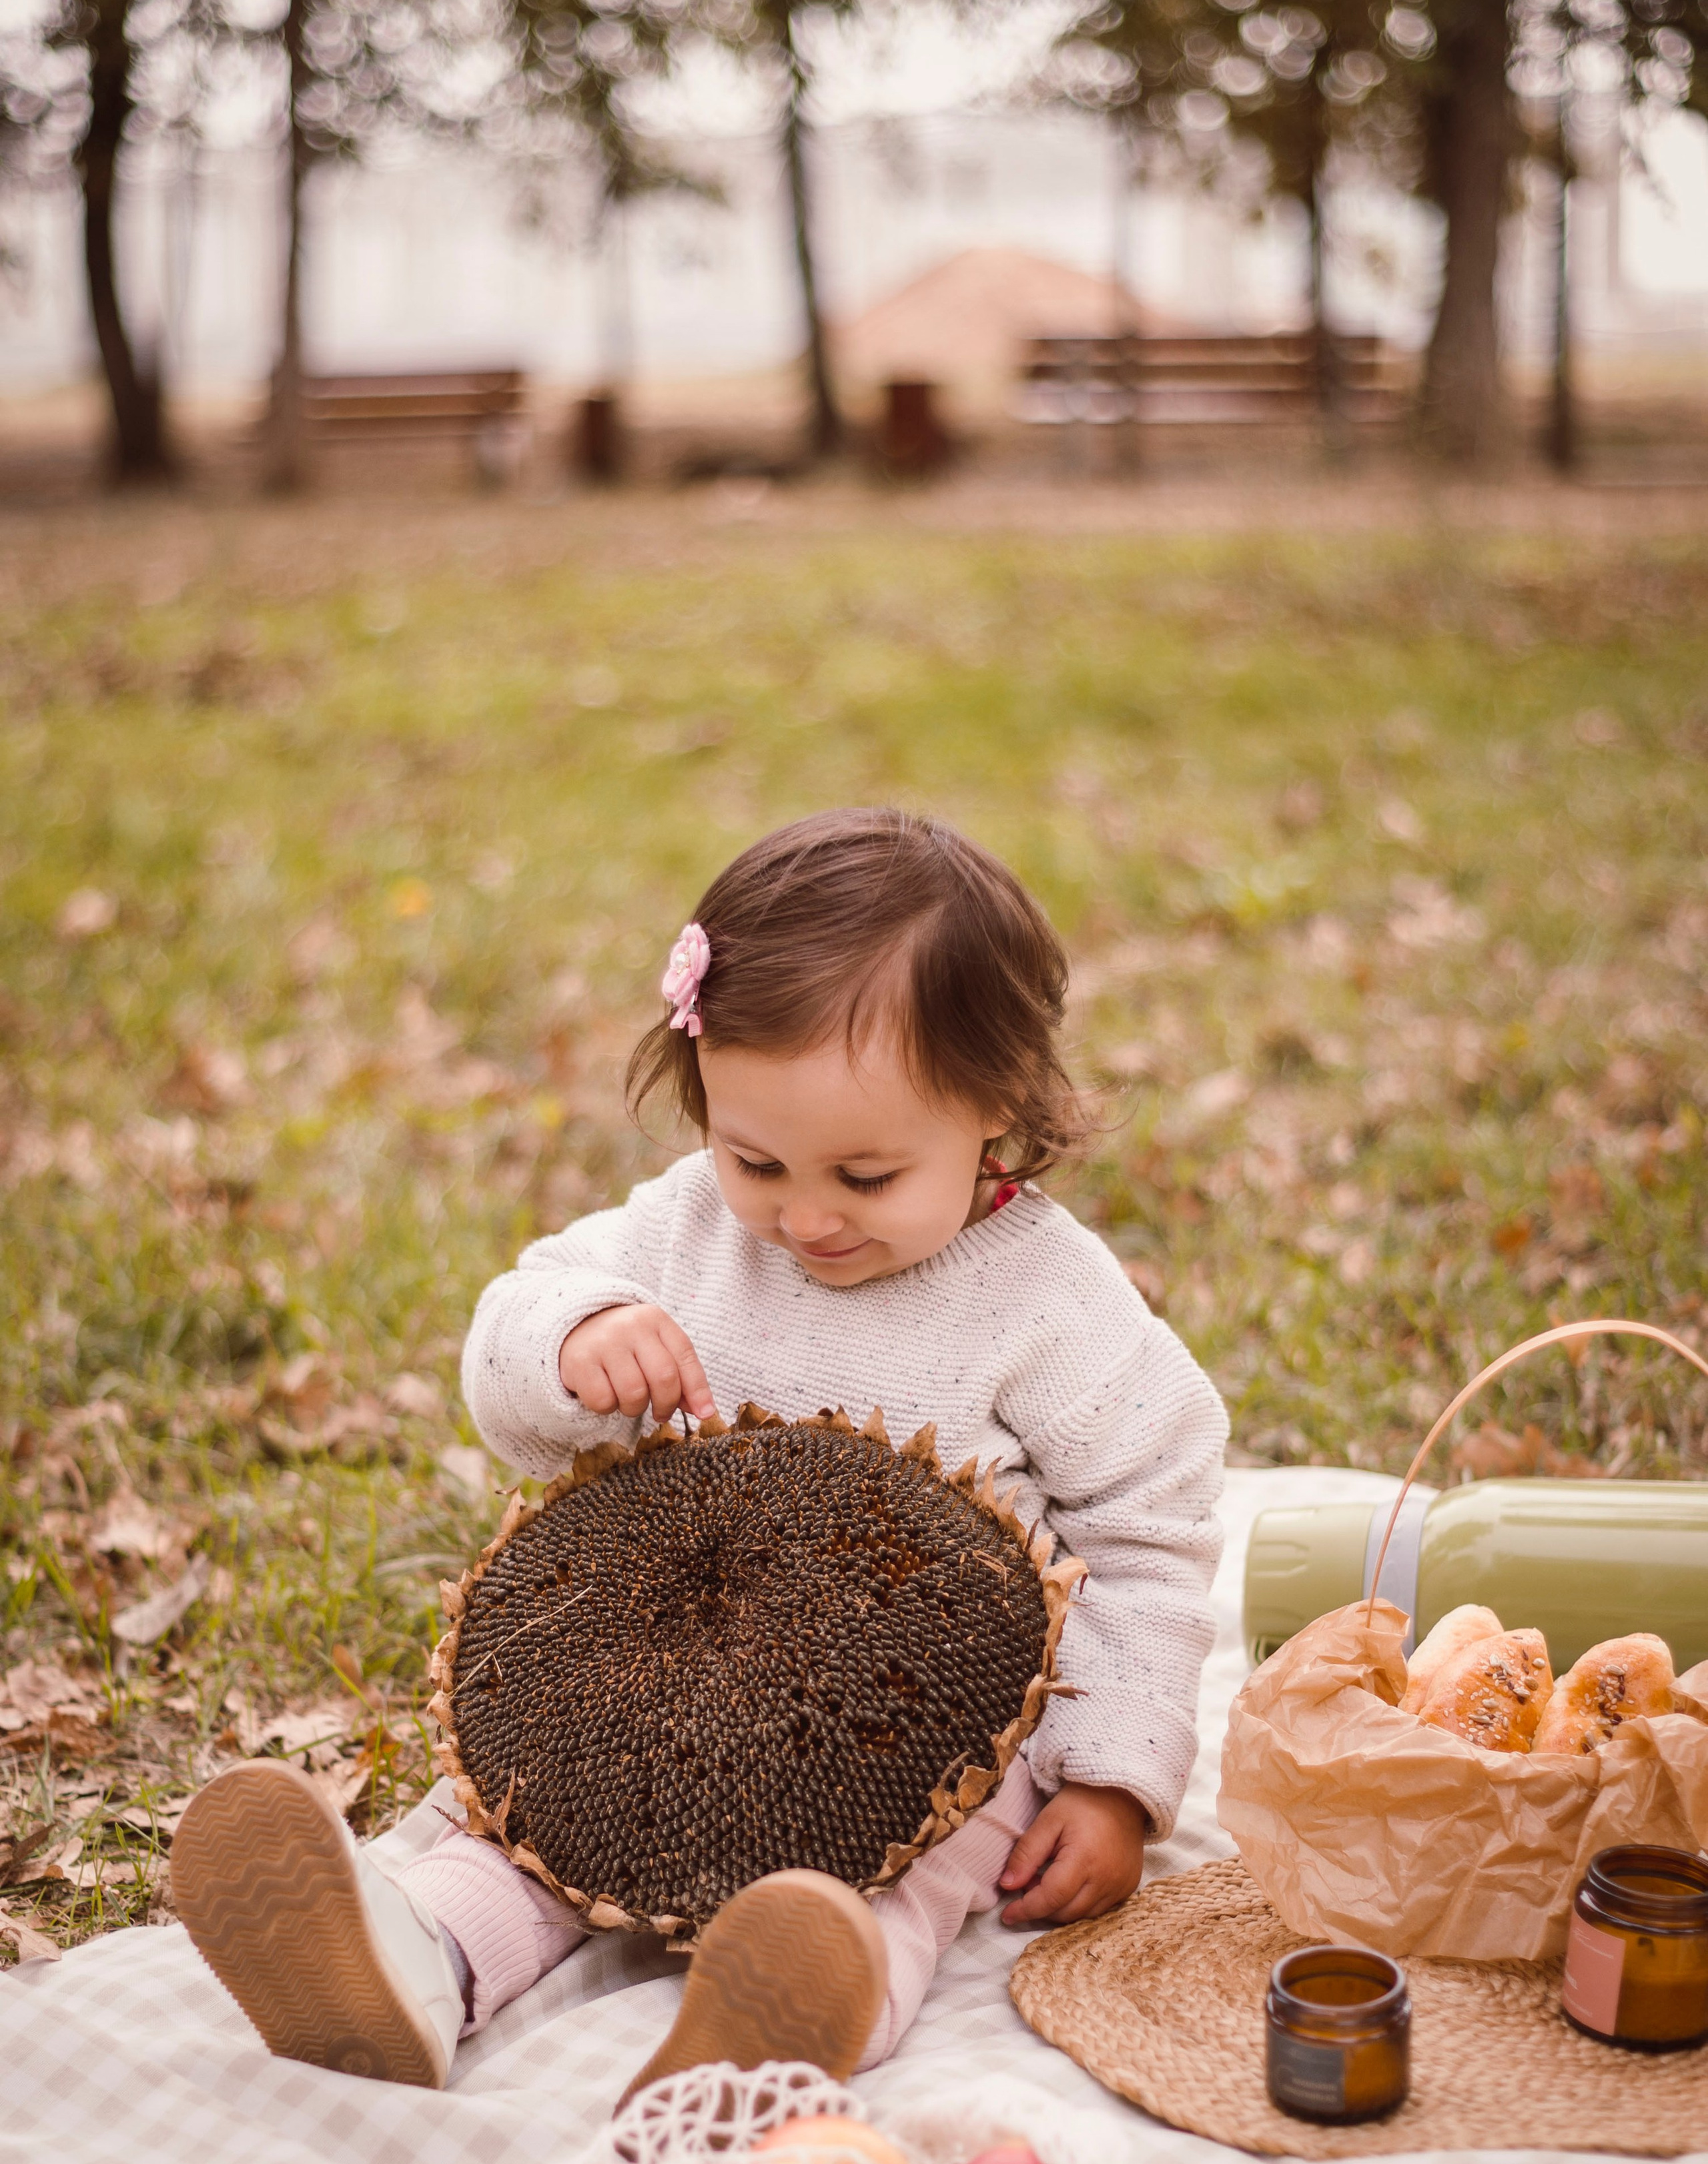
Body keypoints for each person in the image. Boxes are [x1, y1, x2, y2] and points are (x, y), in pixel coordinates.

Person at [173, 809, 1226, 2097]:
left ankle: (791, 1998)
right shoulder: (683, 1232)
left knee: (910, 1870)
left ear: (997, 1106)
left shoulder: (1050, 1304)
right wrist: (576, 1337)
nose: (805, 1215)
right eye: (756, 1159)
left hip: (924, 1722)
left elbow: (1150, 1531)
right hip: (649, 1672)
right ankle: (408, 1960)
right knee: (519, 1825)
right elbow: (510, 1335)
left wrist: (1114, 1779)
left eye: (866, 1176)